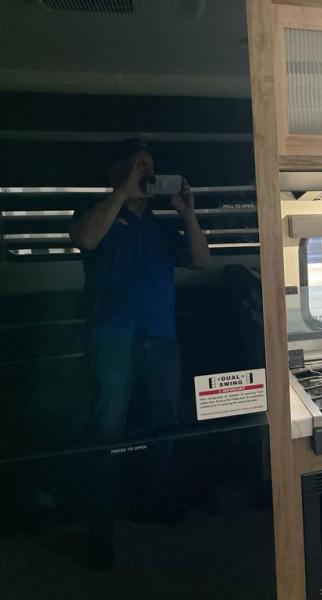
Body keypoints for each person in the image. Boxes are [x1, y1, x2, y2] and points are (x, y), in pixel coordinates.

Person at [70, 141, 210, 568]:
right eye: (137, 165)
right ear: (117, 173)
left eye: (150, 166)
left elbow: (202, 261)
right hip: (112, 338)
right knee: (106, 431)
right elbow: (85, 238)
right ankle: (100, 531)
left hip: (161, 338)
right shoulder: (96, 213)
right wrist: (121, 192)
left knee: (164, 423)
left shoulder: (161, 227)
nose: (145, 173)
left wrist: (187, 213)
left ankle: (152, 500)